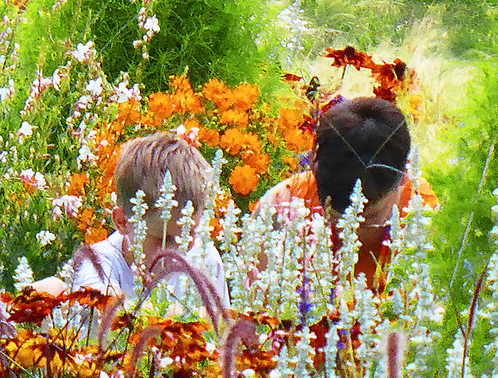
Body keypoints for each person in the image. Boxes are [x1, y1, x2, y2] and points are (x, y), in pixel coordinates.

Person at [255, 96, 437, 291]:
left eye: (368, 218)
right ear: (314, 167)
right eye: (332, 216)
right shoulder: (280, 209)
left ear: (404, 178)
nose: (350, 233)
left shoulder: (428, 220)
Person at [33, 131, 230, 309]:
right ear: (122, 222)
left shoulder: (204, 258)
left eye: (190, 235)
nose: (176, 251)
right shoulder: (98, 264)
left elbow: (221, 333)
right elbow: (113, 314)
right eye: (165, 238)